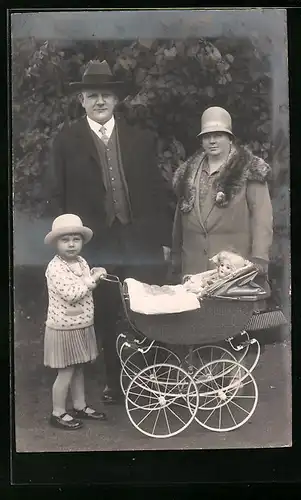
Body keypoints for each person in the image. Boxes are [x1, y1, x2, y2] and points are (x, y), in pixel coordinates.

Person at [47, 60, 173, 404]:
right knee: (101, 311)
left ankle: (153, 376)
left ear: (116, 100)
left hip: (139, 239)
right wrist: (67, 245)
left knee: (148, 307)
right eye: (92, 96)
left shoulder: (141, 139)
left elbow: (157, 192)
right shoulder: (66, 140)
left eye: (105, 95)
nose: (99, 101)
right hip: (94, 244)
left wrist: (162, 241)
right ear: (82, 101)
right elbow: (57, 195)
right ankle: (114, 383)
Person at [171, 106, 273, 284]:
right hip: (193, 272)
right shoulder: (187, 173)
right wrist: (175, 258)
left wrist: (259, 261)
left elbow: (262, 219)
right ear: (201, 140)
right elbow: (178, 223)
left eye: (218, 135)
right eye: (207, 136)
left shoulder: (249, 170)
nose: (212, 141)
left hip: (232, 271)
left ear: (230, 138)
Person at [44, 214, 108, 430]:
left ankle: (79, 405)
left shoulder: (81, 262)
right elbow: (73, 293)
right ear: (55, 243)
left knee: (79, 368)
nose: (71, 244)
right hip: (64, 327)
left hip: (82, 323)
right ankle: (58, 412)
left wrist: (94, 273)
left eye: (76, 239)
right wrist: (93, 279)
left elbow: (84, 282)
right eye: (65, 240)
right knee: (66, 371)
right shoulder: (55, 268)